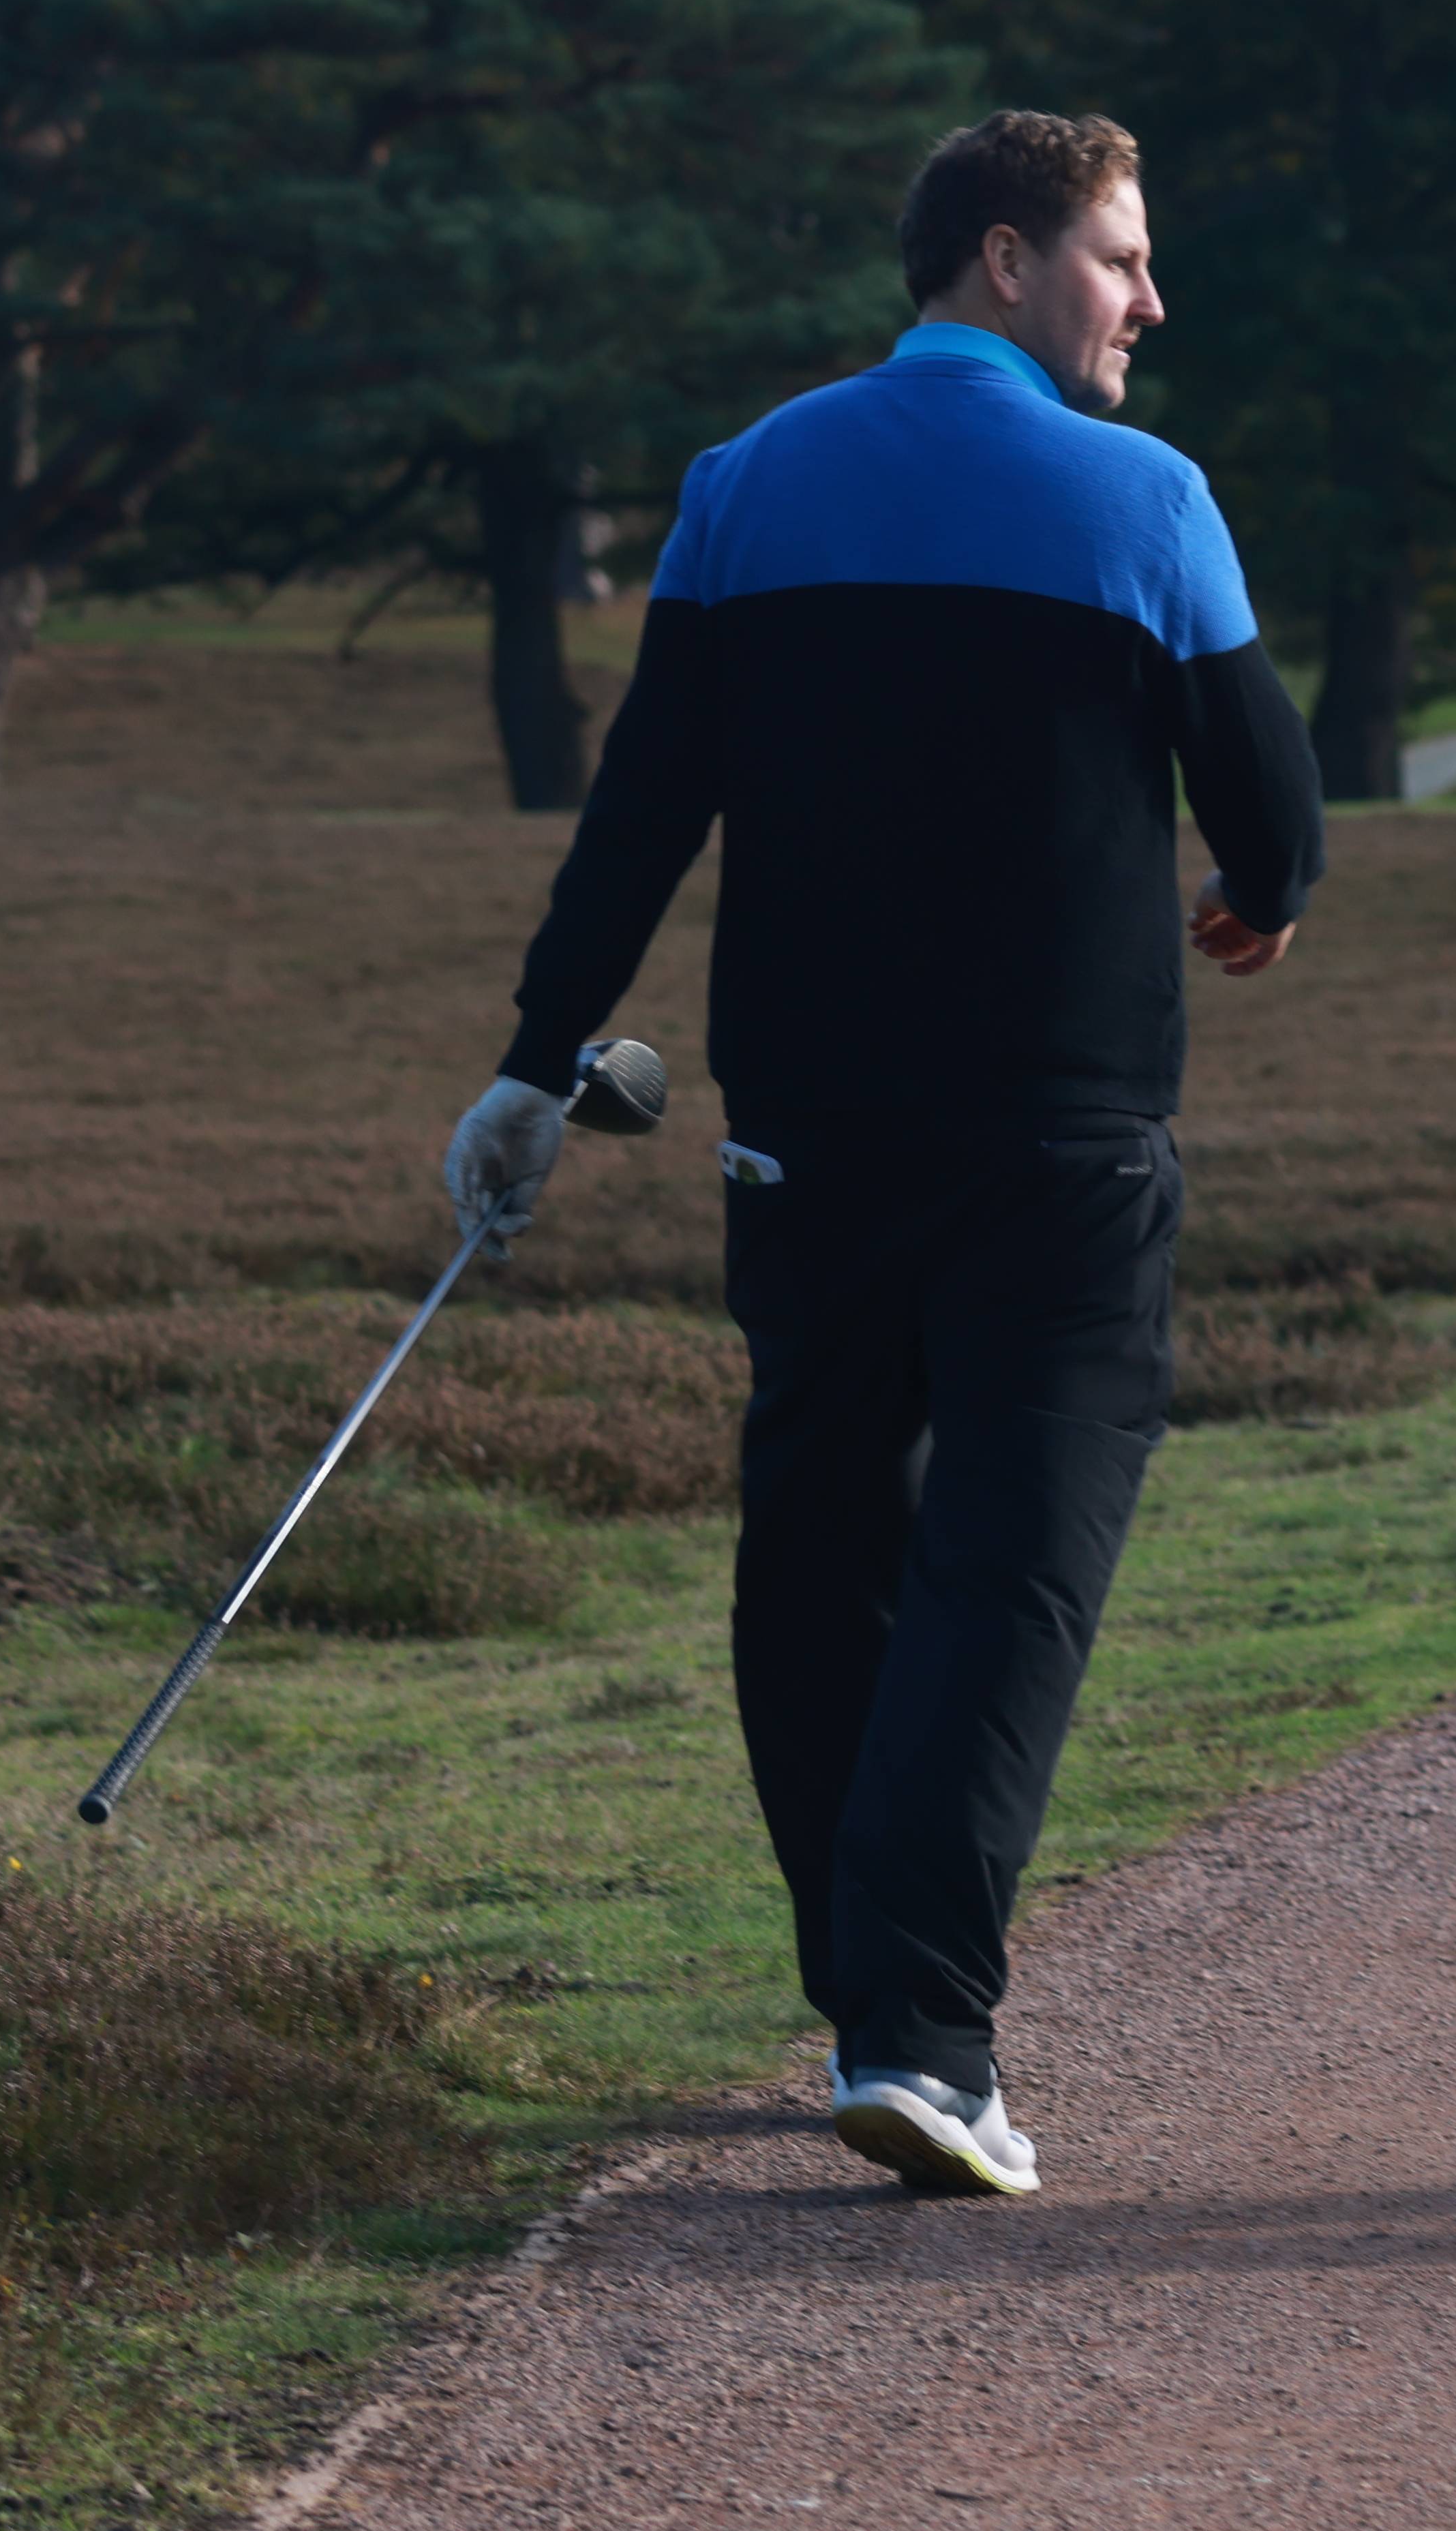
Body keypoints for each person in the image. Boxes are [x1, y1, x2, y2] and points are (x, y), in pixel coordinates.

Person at [447, 110, 1324, 2199]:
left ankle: (864, 1998)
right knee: (1011, 1561)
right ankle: (923, 2037)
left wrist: (534, 1063)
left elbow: (643, 810)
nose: (1151, 301)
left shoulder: (743, 486)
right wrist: (1262, 894)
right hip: (1062, 1142)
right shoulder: (1149, 496)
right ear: (1005, 262)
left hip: (806, 1136)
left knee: (823, 1542)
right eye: (1121, 258)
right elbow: (1274, 816)